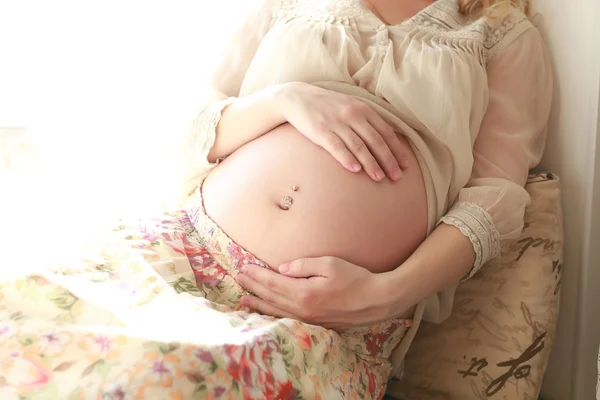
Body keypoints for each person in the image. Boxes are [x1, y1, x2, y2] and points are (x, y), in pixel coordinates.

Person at [176, 0, 552, 379]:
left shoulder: (499, 32)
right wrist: (285, 100)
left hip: (328, 319)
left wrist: (383, 297)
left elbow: (495, 202)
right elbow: (189, 127)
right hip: (190, 252)